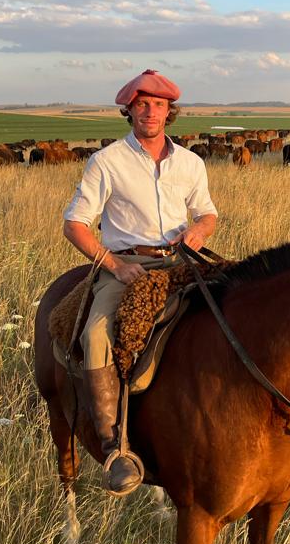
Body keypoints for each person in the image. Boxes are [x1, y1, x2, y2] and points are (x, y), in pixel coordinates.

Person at [62, 69, 218, 493]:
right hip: (127, 265)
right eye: (142, 105)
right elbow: (75, 224)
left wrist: (199, 232)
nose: (151, 112)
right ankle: (116, 448)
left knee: (240, 302)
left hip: (182, 262)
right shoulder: (107, 161)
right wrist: (114, 265)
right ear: (128, 111)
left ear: (170, 113)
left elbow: (206, 212)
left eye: (159, 105)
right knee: (97, 336)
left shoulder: (190, 163)